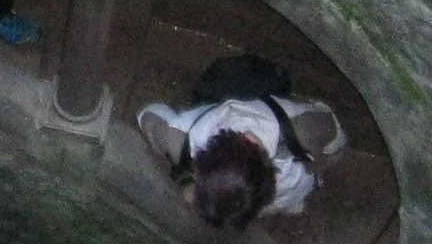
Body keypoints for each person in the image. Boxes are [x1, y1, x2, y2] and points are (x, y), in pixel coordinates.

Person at [137, 54, 342, 230]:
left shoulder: (177, 140)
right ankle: (294, 206)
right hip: (295, 189)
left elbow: (148, 115)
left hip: (285, 195)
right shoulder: (301, 128)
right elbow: (334, 134)